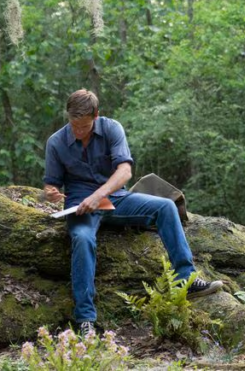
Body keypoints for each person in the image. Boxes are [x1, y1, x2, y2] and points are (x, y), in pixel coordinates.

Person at [44, 89, 223, 337]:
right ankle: (85, 319)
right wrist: (51, 192)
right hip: (81, 205)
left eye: (84, 126)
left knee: (166, 206)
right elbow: (50, 184)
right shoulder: (55, 141)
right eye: (74, 125)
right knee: (83, 239)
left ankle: (187, 279)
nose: (78, 131)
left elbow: (125, 171)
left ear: (96, 115)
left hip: (116, 198)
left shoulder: (112, 128)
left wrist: (100, 194)